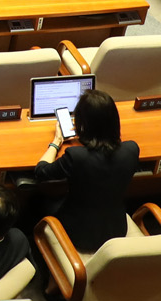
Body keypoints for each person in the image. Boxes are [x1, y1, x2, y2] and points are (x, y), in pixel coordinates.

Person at [33, 90, 139, 252]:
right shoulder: (132, 149)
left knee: (38, 200)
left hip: (77, 236)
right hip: (116, 230)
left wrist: (56, 141)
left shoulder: (76, 156)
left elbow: (41, 171)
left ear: (82, 124)